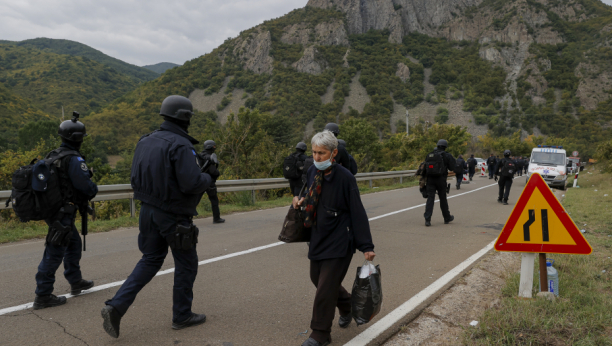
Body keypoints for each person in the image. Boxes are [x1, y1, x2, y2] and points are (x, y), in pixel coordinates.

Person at [101, 95, 213, 338]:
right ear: (185, 117)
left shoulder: (146, 140)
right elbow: (192, 182)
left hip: (147, 211)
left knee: (150, 259)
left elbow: (135, 177)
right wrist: (209, 176)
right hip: (173, 215)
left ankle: (116, 306)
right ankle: (182, 315)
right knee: (186, 263)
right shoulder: (182, 145)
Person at [293, 130, 375, 346]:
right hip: (319, 236)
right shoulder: (312, 171)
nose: (317, 157)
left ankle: (320, 334)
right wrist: (300, 201)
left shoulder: (345, 178)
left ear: (334, 153)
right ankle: (347, 304)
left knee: (325, 288)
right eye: (314, 152)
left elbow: (358, 211)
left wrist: (366, 244)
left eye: (322, 153)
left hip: (340, 239)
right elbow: (311, 195)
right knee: (317, 279)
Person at [33, 114, 98, 310]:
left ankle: (75, 281)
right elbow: (86, 186)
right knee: (54, 252)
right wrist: (93, 187)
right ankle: (43, 295)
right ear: (78, 138)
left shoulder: (54, 155)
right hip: (62, 213)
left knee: (73, 244)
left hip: (55, 211)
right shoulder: (74, 159)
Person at [423, 139, 456, 227]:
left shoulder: (430, 155)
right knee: (443, 199)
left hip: (430, 180)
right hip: (441, 180)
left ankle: (427, 219)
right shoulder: (447, 155)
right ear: (445, 147)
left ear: (437, 145)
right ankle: (446, 217)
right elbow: (452, 167)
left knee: (430, 199)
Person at [199, 140, 224, 223]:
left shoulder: (200, 155)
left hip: (199, 180)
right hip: (209, 182)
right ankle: (216, 218)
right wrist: (218, 173)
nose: (215, 148)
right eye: (214, 146)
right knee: (214, 200)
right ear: (210, 147)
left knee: (195, 200)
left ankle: (186, 219)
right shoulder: (210, 157)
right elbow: (213, 171)